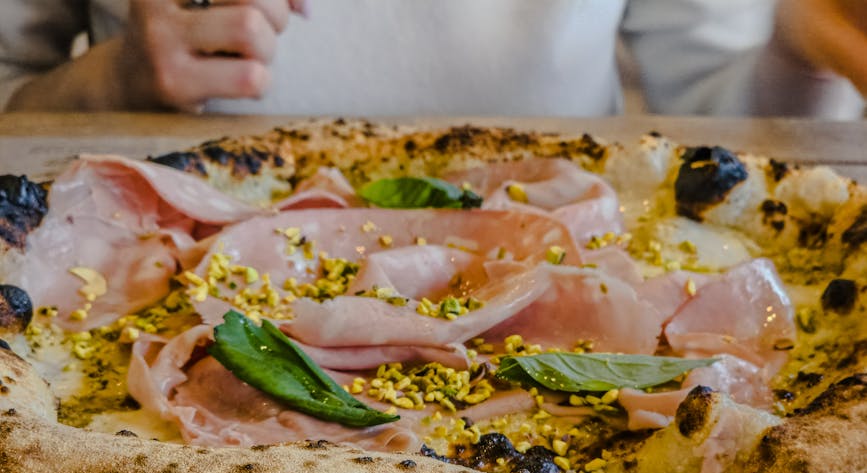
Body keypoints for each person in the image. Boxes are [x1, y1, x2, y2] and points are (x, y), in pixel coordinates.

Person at [0, 0, 864, 119]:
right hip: (135, 319)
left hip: (576, 326)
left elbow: (719, 127)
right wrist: (108, 82)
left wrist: (801, 50)